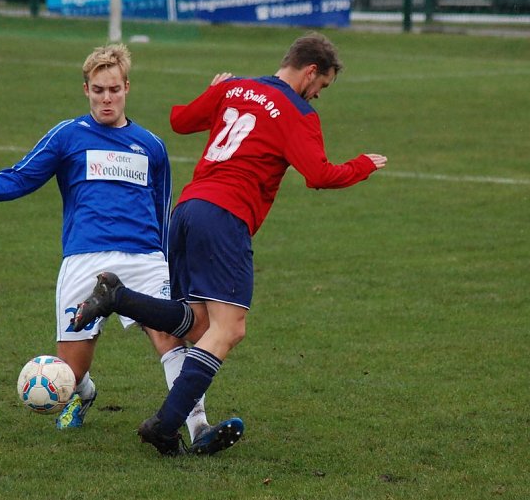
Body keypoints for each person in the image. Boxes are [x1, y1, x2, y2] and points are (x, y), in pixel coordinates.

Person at [72, 32, 388, 456]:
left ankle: (118, 297)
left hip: (186, 211)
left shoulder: (234, 86)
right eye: (322, 86)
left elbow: (181, 120)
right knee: (229, 328)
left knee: (196, 324)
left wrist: (215, 90)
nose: (318, 95)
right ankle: (165, 425)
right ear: (311, 71)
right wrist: (363, 164)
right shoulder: (297, 112)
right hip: (226, 217)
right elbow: (319, 175)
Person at [0, 44, 214, 443]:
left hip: (144, 257)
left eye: (114, 89)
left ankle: (198, 426)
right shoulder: (68, 136)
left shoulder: (151, 146)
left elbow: (163, 210)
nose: (107, 98)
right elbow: (19, 178)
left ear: (127, 88)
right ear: (86, 90)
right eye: (99, 90)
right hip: (86, 258)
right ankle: (84, 395)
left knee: (169, 336)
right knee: (70, 373)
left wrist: (171, 266)